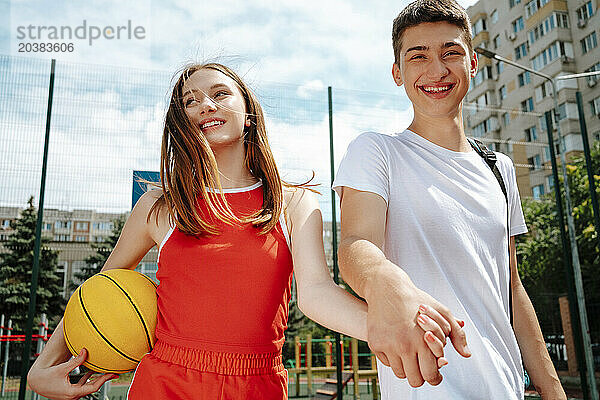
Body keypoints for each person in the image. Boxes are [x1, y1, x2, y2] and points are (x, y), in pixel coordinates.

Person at [27, 62, 444, 400]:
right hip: (166, 384)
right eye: (191, 101)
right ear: (182, 123)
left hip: (257, 384)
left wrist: (389, 324)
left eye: (220, 93)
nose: (205, 104)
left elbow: (316, 294)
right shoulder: (160, 207)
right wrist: (41, 368)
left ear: (248, 114)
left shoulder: (292, 203)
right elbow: (98, 290)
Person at [332, 1, 566, 399]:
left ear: (472, 63)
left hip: (506, 389)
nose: (436, 70)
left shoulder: (499, 167)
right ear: (397, 73)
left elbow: (511, 287)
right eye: (418, 56)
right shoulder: (376, 152)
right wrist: (383, 280)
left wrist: (552, 388)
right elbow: (356, 246)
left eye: (451, 53)